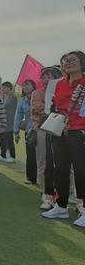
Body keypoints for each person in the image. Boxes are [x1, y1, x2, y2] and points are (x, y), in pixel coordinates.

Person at [42, 51, 85, 227]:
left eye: (73, 60)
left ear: (82, 63)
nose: (68, 63)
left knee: (81, 171)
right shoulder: (59, 84)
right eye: (66, 61)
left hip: (79, 132)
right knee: (60, 169)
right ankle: (61, 206)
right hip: (59, 131)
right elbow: (54, 106)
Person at [31, 67, 62, 210]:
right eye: (43, 77)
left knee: (66, 162)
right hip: (43, 127)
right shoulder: (37, 93)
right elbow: (38, 108)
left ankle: (69, 191)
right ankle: (45, 190)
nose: (45, 80)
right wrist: (54, 109)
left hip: (63, 129)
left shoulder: (63, 90)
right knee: (43, 159)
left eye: (49, 76)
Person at [14, 79, 37, 184]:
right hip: (29, 131)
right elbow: (18, 117)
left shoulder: (40, 96)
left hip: (42, 129)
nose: (25, 87)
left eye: (28, 84)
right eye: (24, 85)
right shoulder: (22, 101)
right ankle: (31, 178)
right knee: (30, 154)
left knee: (43, 156)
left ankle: (44, 178)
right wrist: (16, 131)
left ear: (33, 86)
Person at [0, 82, 18, 163]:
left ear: (9, 88)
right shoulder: (4, 96)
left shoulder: (13, 97)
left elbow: (7, 106)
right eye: (2, 87)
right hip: (2, 122)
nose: (2, 89)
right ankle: (3, 155)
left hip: (9, 122)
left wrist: (2, 104)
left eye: (4, 87)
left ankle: (12, 156)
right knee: (1, 139)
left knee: (9, 139)